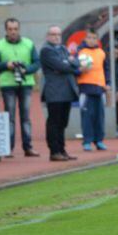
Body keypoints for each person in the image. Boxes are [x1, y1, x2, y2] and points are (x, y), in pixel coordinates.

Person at [0, 18, 41, 158]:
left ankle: (28, 147)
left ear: (19, 29)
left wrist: (27, 70)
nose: (13, 32)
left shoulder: (29, 43)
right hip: (8, 85)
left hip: (26, 84)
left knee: (25, 117)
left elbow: (37, 63)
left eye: (15, 29)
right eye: (10, 29)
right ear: (6, 30)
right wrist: (6, 65)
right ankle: (8, 148)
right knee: (10, 118)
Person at [40, 25, 81, 161]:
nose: (56, 37)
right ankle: (54, 151)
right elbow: (61, 66)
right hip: (55, 92)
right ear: (48, 36)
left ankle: (62, 149)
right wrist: (69, 65)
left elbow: (75, 62)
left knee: (63, 122)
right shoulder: (46, 51)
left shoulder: (63, 48)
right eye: (53, 34)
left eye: (58, 34)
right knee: (54, 122)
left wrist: (69, 64)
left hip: (67, 91)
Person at [76, 29, 109, 151]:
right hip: (85, 88)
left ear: (97, 40)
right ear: (85, 39)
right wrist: (80, 71)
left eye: (94, 38)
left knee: (99, 117)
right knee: (87, 116)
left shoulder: (101, 53)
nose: (91, 40)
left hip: (99, 89)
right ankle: (87, 141)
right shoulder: (81, 52)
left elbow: (106, 69)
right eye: (89, 38)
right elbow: (75, 69)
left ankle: (99, 140)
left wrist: (108, 83)